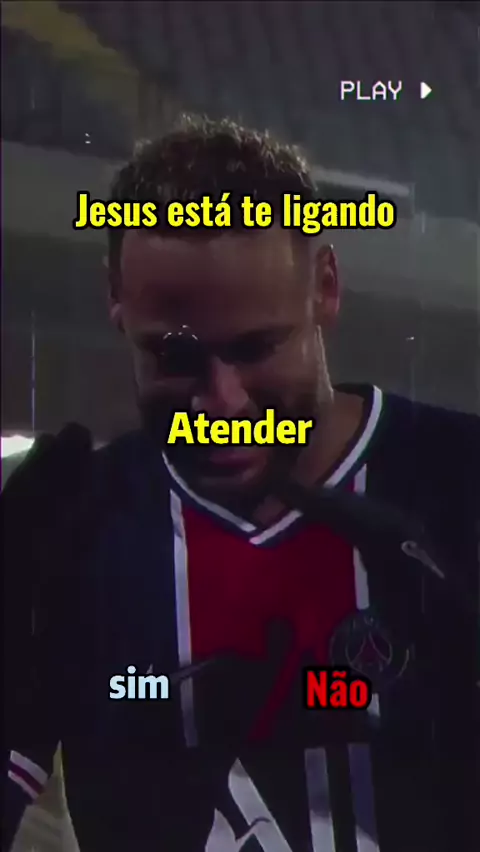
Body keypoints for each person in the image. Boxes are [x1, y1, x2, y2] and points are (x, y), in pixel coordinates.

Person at [3, 115, 479, 852]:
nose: (223, 406)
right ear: (116, 298)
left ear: (326, 287)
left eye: (257, 349)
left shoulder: (459, 487)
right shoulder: (67, 531)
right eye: (176, 356)